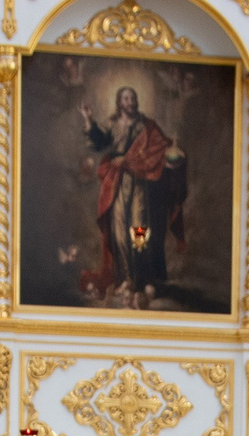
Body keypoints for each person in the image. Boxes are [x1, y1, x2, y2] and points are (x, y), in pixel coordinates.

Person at [76, 86, 185, 310]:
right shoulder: (113, 123)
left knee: (139, 230)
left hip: (139, 183)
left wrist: (172, 153)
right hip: (117, 182)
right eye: (126, 98)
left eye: (133, 98)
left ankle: (144, 279)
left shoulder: (146, 126)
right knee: (118, 232)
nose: (130, 101)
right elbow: (98, 141)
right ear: (119, 102)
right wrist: (88, 119)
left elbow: (161, 148)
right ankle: (125, 279)